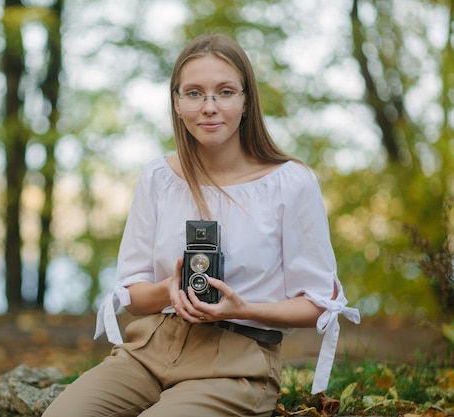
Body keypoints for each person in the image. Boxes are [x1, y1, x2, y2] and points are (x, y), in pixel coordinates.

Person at [42, 33, 360, 417]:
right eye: (194, 93)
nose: (209, 107)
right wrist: (169, 289)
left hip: (237, 364)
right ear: (176, 103)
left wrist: (242, 307)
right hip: (147, 353)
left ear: (246, 101)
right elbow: (133, 295)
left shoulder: (290, 182)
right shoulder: (158, 177)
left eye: (225, 92)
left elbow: (317, 306)